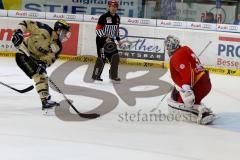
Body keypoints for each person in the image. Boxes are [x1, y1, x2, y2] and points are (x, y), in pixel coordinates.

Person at [11, 19, 71, 111]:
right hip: (22, 54)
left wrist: (43, 64)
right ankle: (45, 100)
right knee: (40, 75)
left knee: (42, 74)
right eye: (64, 32)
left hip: (34, 60)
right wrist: (18, 32)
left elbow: (49, 59)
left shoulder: (57, 46)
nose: (65, 35)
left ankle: (45, 99)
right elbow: (25, 23)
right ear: (58, 30)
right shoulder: (43, 29)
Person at [164, 35, 215, 125]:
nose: (167, 50)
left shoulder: (176, 56)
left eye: (167, 48)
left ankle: (203, 114)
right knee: (189, 101)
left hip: (199, 84)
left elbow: (188, 72)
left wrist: (188, 90)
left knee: (182, 103)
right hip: (204, 81)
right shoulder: (185, 48)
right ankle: (202, 110)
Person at [92, 0, 122, 82]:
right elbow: (97, 30)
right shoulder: (103, 17)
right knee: (102, 58)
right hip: (101, 41)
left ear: (117, 8)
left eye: (115, 7)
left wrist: (118, 40)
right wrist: (105, 38)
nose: (113, 8)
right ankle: (96, 76)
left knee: (115, 57)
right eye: (112, 6)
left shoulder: (117, 18)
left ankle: (113, 76)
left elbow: (116, 30)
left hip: (111, 41)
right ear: (109, 7)